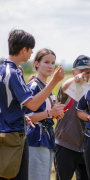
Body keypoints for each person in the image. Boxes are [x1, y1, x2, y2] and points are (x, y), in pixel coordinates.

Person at [0, 29, 65, 180]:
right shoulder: (14, 73)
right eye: (31, 50)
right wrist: (54, 81)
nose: (31, 54)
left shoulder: (2, 69)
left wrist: (23, 115)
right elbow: (33, 105)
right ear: (24, 49)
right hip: (13, 136)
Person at [25, 48, 65, 180]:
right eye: (46, 62)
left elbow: (46, 114)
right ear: (36, 64)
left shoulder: (47, 85)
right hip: (36, 137)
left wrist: (55, 114)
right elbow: (27, 117)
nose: (50, 66)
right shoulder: (33, 86)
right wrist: (50, 112)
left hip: (47, 137)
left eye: (53, 63)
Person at [54, 55, 90, 180]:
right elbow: (64, 87)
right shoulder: (68, 87)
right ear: (74, 71)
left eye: (88, 72)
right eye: (81, 71)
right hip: (66, 145)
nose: (84, 75)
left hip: (87, 147)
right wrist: (76, 79)